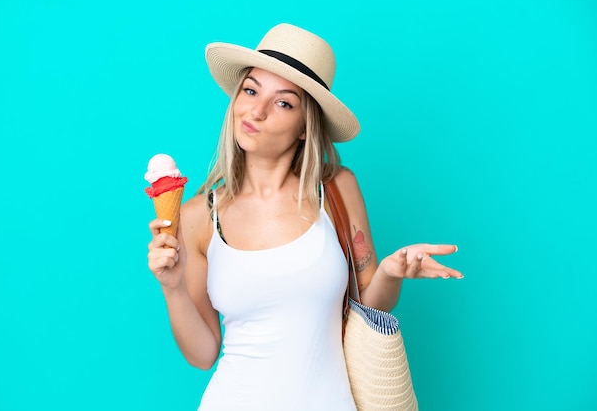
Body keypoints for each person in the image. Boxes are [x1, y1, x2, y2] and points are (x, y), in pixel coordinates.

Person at [146, 23, 463, 410]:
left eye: (283, 102)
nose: (256, 111)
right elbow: (203, 354)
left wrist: (390, 273)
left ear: (303, 126)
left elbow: (372, 308)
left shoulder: (336, 190)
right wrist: (173, 287)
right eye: (250, 90)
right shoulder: (198, 216)